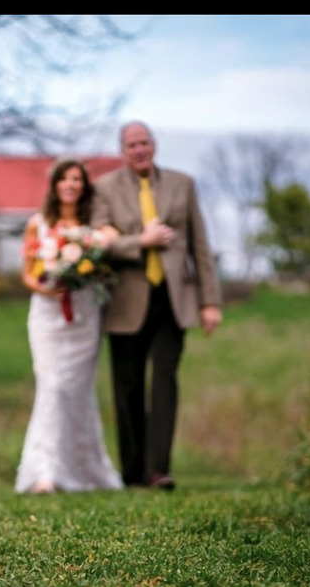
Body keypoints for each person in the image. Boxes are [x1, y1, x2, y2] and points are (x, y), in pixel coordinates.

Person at [91, 121, 222, 490]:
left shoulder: (183, 184)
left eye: (144, 142)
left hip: (174, 299)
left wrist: (209, 301)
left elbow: (200, 245)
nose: (139, 149)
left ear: (154, 145)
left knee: (165, 382)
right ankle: (133, 471)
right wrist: (141, 241)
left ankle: (158, 469)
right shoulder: (104, 189)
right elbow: (99, 241)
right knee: (128, 387)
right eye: (132, 144)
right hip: (127, 301)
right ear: (123, 150)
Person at [15, 158, 123, 494]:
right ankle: (44, 471)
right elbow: (28, 274)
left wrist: (84, 268)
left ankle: (87, 470)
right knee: (52, 386)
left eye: (77, 179)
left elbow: (105, 265)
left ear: (84, 186)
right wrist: (47, 287)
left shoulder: (94, 229)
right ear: (55, 185)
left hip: (84, 315)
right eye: (65, 179)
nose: (71, 184)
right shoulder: (39, 224)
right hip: (48, 315)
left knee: (78, 392)